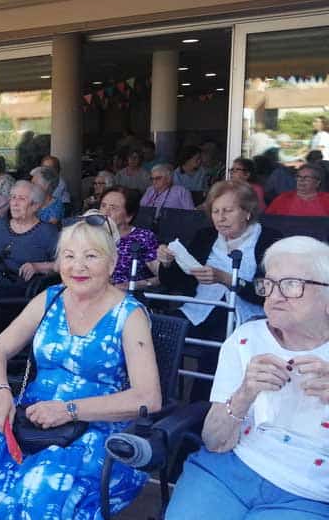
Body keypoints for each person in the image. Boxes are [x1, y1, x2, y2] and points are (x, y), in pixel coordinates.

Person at [0, 215, 162, 519]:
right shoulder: (50, 299)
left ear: (111, 262)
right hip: (32, 417)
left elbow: (148, 398)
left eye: (91, 256)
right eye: (69, 256)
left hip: (96, 428)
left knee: (40, 487)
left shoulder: (129, 315)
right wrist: (0, 391)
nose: (78, 266)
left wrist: (69, 409)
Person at [165, 236, 329, 519]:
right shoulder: (245, 339)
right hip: (229, 470)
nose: (274, 296)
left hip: (309, 492)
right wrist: (243, 395)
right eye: (269, 284)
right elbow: (215, 441)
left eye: (291, 285)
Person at [157, 180, 281, 398]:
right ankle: (161, 399)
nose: (220, 218)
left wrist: (227, 279)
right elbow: (179, 282)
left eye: (228, 211)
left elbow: (267, 292)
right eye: (215, 211)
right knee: (159, 331)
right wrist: (167, 262)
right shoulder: (205, 236)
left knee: (217, 349)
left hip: (243, 315)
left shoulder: (269, 240)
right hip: (199, 309)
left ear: (247, 212)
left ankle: (201, 412)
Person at [0, 181, 58, 296]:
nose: (15, 203)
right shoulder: (0, 225)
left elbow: (64, 263)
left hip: (15, 295)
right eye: (13, 197)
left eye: (22, 199)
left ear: (35, 206)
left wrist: (39, 267)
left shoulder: (47, 232)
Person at [99, 187, 159, 289]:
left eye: (113, 208)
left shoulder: (143, 237)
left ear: (129, 216)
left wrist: (132, 285)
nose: (105, 213)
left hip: (125, 297)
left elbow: (162, 277)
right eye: (103, 206)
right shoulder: (90, 235)